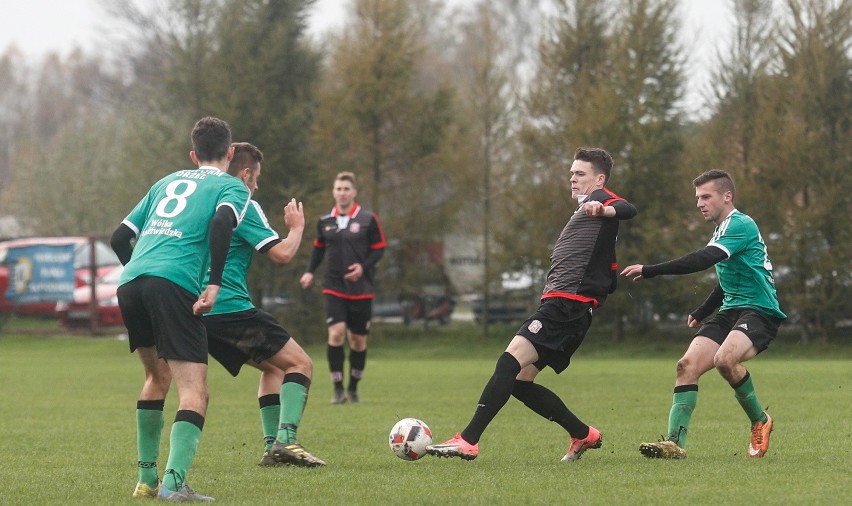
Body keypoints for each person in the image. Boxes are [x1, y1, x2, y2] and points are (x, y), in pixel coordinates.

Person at [426, 147, 637, 461]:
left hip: (566, 305)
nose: (573, 179)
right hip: (572, 308)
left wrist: (605, 209)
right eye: (571, 173)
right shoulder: (585, 210)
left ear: (600, 178)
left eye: (580, 174)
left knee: (507, 363)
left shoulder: (601, 202)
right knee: (521, 383)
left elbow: (626, 207)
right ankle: (583, 434)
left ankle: (468, 440)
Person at [111, 117, 251, 502]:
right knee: (195, 391)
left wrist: (143, 276)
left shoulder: (166, 181)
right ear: (231, 152)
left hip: (131, 282)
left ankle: (146, 480)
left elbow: (119, 237)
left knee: (157, 377)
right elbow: (223, 222)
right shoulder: (231, 186)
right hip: (172, 284)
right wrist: (215, 283)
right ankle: (173, 486)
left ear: (193, 155)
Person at [621, 169, 786, 459]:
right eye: (697, 197)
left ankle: (760, 420)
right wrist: (703, 311)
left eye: (706, 196)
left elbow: (704, 259)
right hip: (730, 310)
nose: (699, 203)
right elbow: (730, 278)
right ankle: (674, 444)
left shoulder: (741, 224)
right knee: (686, 366)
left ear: (727, 196)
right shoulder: (722, 229)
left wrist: (652, 270)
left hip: (760, 310)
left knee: (725, 359)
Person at [201, 142, 325, 468]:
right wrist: (297, 228)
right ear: (245, 174)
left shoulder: (201, 202)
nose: (257, 185)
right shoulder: (243, 203)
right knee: (301, 365)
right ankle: (287, 441)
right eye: (256, 178)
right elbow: (282, 254)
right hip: (229, 307)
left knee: (273, 368)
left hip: (198, 309)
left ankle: (272, 450)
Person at [299, 172, 386, 404]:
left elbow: (379, 249)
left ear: (354, 192)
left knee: (357, 341)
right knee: (336, 333)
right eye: (338, 189)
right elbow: (318, 249)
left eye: (347, 189)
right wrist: (309, 271)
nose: (342, 193)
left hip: (361, 288)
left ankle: (353, 388)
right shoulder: (325, 220)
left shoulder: (368, 219)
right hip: (333, 286)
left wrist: (363, 267)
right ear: (333, 192)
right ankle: (337, 388)